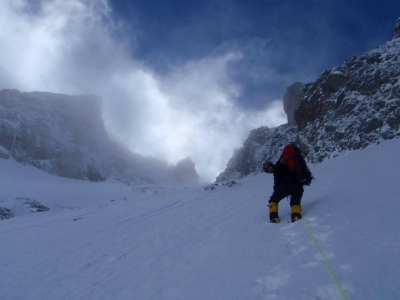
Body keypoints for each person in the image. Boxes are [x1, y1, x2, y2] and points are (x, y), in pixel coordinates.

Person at [263, 159, 304, 223]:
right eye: (268, 170)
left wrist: (275, 193)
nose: (269, 170)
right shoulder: (282, 165)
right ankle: (296, 216)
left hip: (287, 187)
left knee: (273, 200)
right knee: (295, 202)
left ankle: (274, 217)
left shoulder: (277, 168)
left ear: (271, 165)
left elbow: (277, 183)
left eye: (269, 168)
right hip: (298, 186)